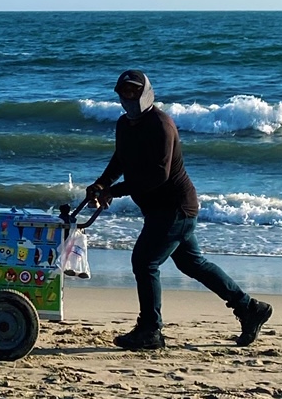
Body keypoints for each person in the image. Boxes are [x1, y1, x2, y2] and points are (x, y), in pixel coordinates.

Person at [85, 69, 272, 352]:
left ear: (146, 92)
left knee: (145, 262)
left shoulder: (162, 125)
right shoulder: (124, 124)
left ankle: (150, 330)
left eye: (134, 92)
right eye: (124, 93)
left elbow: (158, 175)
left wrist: (116, 191)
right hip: (159, 209)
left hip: (175, 207)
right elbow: (121, 159)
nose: (129, 98)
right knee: (192, 264)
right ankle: (250, 308)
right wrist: (101, 184)